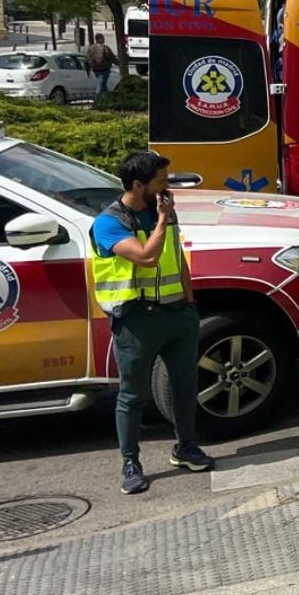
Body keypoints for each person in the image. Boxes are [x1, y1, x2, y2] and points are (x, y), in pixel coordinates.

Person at [92, 151, 214, 493]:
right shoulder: (109, 222)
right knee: (133, 395)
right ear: (137, 185)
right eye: (160, 182)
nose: (167, 188)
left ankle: (186, 447)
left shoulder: (164, 210)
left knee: (185, 385)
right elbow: (146, 258)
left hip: (177, 314)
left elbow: (177, 257)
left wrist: (190, 304)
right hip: (136, 320)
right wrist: (161, 220)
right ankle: (131, 462)